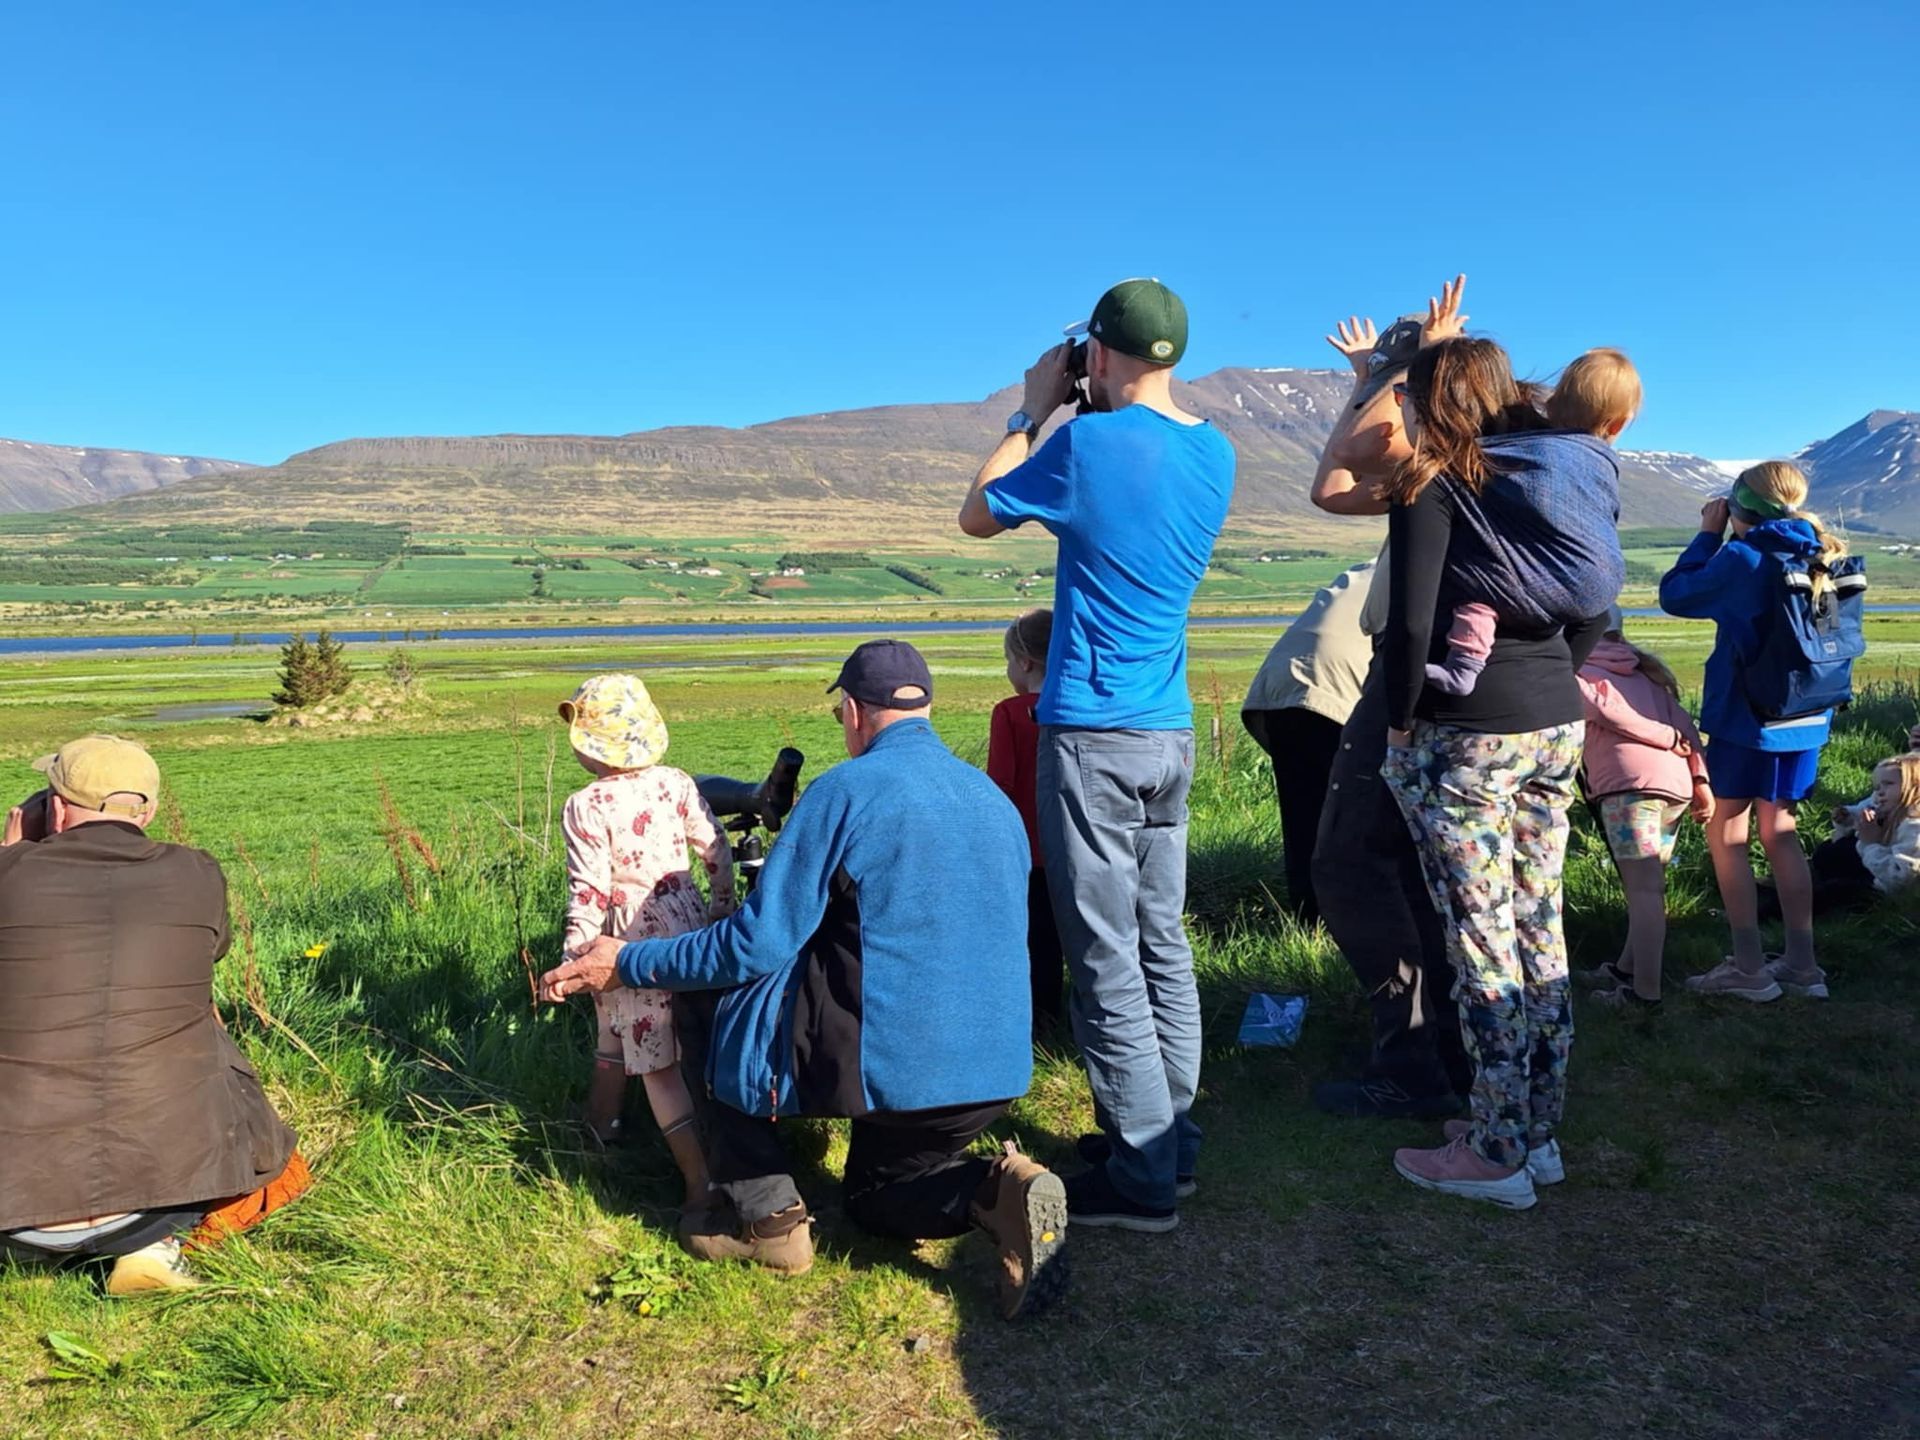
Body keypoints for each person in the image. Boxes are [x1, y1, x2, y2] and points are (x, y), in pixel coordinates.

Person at [537, 641, 1068, 1321]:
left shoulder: (845, 792)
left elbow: (754, 945)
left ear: (851, 712)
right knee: (877, 1201)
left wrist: (628, 961)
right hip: (993, 1070)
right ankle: (998, 1187)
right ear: (924, 706)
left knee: (713, 995)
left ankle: (768, 1217)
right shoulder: (990, 799)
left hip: (893, 1064)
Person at [958, 278, 1235, 1233]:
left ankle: (1142, 1179)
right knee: (1163, 939)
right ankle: (1169, 1144)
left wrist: (1032, 408)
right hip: (1168, 731)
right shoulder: (1218, 454)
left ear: (1101, 353)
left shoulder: (1079, 444)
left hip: (1091, 734)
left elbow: (979, 512)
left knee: (1104, 954)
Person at [1378, 327, 1624, 1211]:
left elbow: (1410, 628)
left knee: (1479, 942)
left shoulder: (1438, 480)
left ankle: (1493, 1152)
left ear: (1432, 403)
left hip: (1468, 737)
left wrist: (1405, 721)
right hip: (1556, 722)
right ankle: (1535, 1131)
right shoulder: (1564, 470)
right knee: (1537, 930)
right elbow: (1598, 599)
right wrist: (1563, 667)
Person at [0, 736, 310, 1294]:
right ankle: (151, 1247)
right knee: (202, 1036)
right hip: (169, 1196)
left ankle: (53, 1245)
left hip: (13, 1207)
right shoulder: (197, 873)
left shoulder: (7, 873)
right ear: (148, 811)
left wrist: (11, 854)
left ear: (57, 808)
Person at [1306, 288, 1471, 1119]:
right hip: (1488, 695)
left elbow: (1332, 481)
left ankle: (1412, 1063)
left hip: (1404, 685)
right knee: (1428, 873)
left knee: (1347, 865)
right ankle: (1456, 1053)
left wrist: (1381, 373)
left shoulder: (1432, 470)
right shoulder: (1513, 460)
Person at [1659, 461, 1849, 1002]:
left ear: (1739, 507)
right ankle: (1802, 965)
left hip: (1748, 721)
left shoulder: (1744, 557)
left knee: (1727, 833)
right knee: (1782, 832)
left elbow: (1676, 595)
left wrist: (1706, 535)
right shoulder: (1823, 553)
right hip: (1807, 718)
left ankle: (1747, 967)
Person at [558, 674, 734, 1213]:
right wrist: (720, 906)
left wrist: (577, 956)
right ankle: (600, 1123)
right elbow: (715, 846)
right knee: (637, 1032)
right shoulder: (675, 783)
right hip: (687, 920)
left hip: (628, 936)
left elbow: (587, 890)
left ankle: (699, 1181)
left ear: (590, 746)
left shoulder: (585, 806)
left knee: (656, 1064)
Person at [1425, 348, 1644, 696]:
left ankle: (1465, 668)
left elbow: (1471, 467)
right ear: (1618, 425)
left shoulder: (1516, 451)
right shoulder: (1601, 463)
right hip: (1595, 595)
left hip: (1525, 596)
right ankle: (1561, 681)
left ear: (1553, 403)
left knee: (1477, 596)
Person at [1575, 617, 1714, 1006]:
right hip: (1673, 786)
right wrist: (1701, 781)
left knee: (1644, 890)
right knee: (1649, 884)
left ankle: (1645, 994)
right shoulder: (1646, 672)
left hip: (1627, 788)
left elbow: (1609, 714)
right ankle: (1627, 968)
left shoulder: (1578, 672)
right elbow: (1685, 724)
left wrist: (1662, 737)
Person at [1240, 559, 1379, 925]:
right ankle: (1352, 932)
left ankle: (1310, 923)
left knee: (1306, 819)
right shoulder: (1437, 562)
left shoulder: (1373, 564)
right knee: (1362, 821)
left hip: (1282, 684)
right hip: (1336, 690)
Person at [987, 608, 1066, 1032]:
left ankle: (1039, 1020)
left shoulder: (1010, 712)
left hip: (1028, 852)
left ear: (1024, 662)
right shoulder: (1076, 705)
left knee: (1036, 942)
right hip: (1080, 846)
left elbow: (999, 785)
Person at [1760, 752, 1920, 925]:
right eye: (1877, 787)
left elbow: (1900, 880)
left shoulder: (1914, 828)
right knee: (1829, 852)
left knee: (1838, 890)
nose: (1880, 792)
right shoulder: (1888, 804)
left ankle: (1770, 911)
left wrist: (1869, 843)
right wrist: (1848, 817)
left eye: (1888, 784)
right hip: (1877, 863)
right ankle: (1793, 886)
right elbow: (1863, 809)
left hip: (1889, 889)